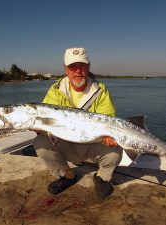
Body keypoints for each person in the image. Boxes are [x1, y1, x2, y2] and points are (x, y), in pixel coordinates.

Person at [33, 47, 122, 199]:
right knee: (40, 143)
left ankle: (102, 177)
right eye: (72, 66)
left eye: (82, 65)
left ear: (89, 66)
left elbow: (108, 119)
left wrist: (109, 136)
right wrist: (37, 127)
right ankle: (67, 175)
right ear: (65, 69)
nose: (78, 71)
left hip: (93, 145)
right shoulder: (55, 90)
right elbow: (45, 122)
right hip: (66, 143)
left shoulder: (100, 91)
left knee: (115, 151)